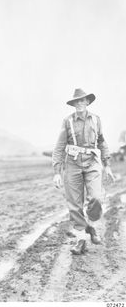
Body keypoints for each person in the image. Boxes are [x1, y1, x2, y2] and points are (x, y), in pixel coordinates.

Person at [52, 88, 115, 255]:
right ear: (73, 104)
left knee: (96, 197)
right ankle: (81, 239)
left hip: (93, 162)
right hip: (72, 163)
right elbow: (59, 147)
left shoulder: (96, 120)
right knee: (74, 204)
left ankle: (92, 226)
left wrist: (107, 165)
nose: (79, 103)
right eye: (76, 101)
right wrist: (57, 171)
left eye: (82, 100)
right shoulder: (68, 121)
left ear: (87, 102)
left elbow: (102, 142)